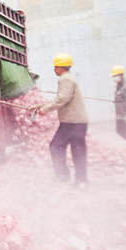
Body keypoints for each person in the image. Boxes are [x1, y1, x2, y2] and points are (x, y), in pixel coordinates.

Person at [35, 53, 88, 186]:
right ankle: (81, 180)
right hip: (77, 122)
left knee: (56, 146)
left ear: (60, 67)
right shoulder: (70, 78)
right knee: (77, 150)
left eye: (55, 67)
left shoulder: (65, 79)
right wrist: (39, 106)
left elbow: (62, 99)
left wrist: (45, 110)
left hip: (72, 122)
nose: (54, 70)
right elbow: (62, 98)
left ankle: (64, 177)